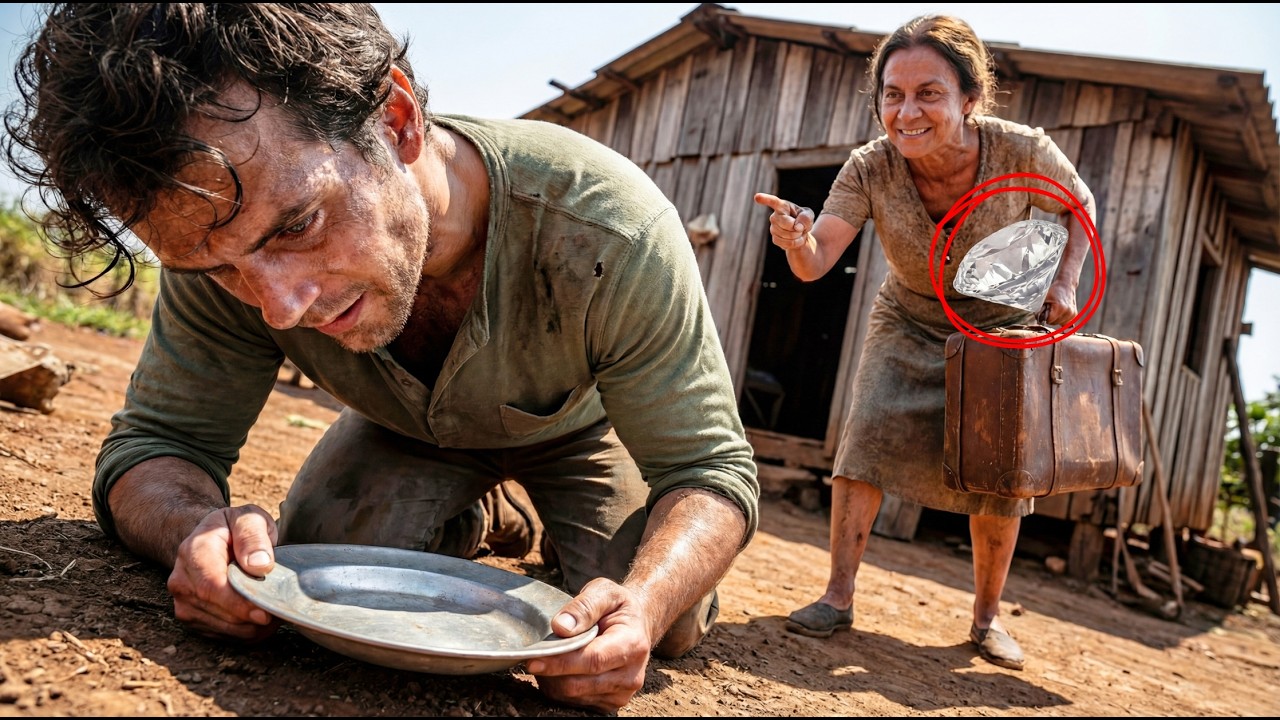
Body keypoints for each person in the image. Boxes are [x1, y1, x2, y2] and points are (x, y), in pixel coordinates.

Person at [4, 3, 759, 712]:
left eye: (297, 225)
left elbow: (710, 472)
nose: (280, 307)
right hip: (400, 429)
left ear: (396, 121)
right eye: (220, 268)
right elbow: (158, 444)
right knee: (313, 576)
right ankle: (476, 511)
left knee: (668, 616)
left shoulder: (612, 229)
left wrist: (648, 601)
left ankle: (541, 512)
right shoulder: (216, 234)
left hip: (580, 433)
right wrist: (192, 527)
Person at [754, 14, 1095, 671]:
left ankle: (987, 620)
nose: (906, 111)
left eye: (928, 93)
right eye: (892, 94)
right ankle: (838, 595)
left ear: (971, 99)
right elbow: (818, 257)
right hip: (907, 315)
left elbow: (1078, 205)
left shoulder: (1021, 149)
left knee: (1001, 475)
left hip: (999, 326)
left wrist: (1067, 279)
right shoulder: (869, 167)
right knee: (864, 442)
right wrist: (797, 240)